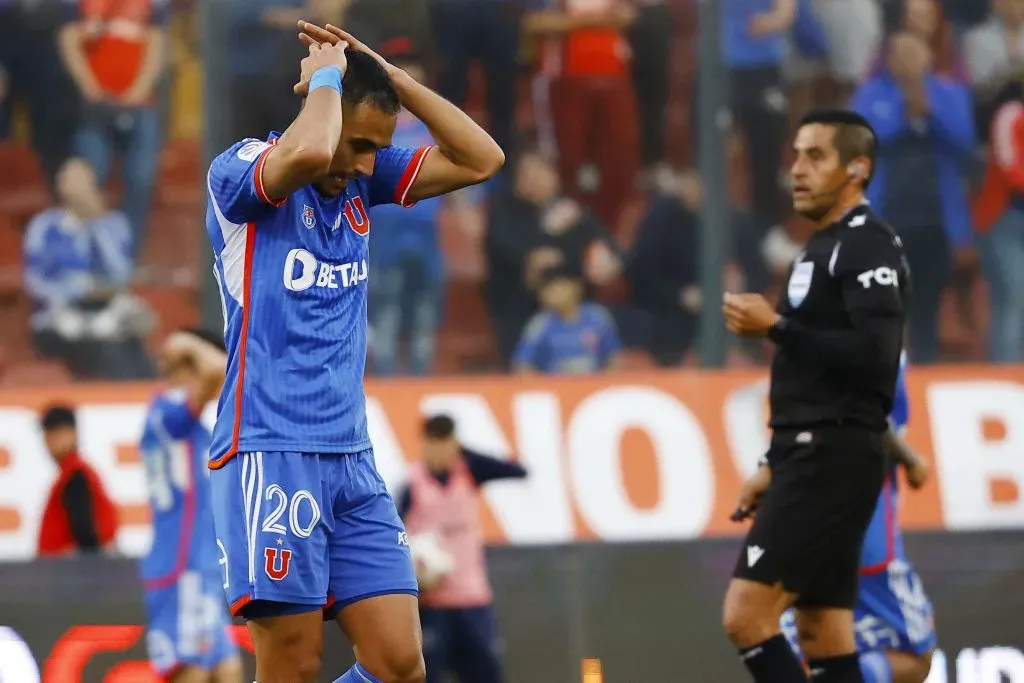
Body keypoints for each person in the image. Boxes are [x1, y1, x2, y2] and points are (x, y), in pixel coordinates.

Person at [204, 19, 503, 683]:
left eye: (380, 148)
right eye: (361, 145)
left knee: (400, 664)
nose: (369, 163)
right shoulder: (240, 173)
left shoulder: (361, 179)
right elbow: (308, 155)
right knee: (295, 665)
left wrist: (388, 78)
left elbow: (483, 158)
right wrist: (329, 77)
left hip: (352, 459)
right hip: (269, 447)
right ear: (321, 110)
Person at [720, 108, 910, 683]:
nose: (797, 170)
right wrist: (771, 463)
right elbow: (814, 376)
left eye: (815, 156)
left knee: (746, 617)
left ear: (858, 168)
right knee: (822, 635)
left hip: (830, 456)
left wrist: (775, 327)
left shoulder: (868, 245)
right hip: (811, 452)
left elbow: (876, 357)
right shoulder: (822, 247)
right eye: (796, 155)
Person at [738, 352, 936, 683]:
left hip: (802, 533)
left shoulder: (798, 341)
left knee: (806, 652)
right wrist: (912, 459)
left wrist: (768, 468)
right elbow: (862, 415)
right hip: (864, 535)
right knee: (915, 658)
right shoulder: (870, 329)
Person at [138, 330, 243, 683]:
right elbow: (218, 368)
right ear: (189, 366)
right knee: (193, 672)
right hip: (180, 566)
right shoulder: (166, 412)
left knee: (227, 669)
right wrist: (186, 342)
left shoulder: (197, 428)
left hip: (201, 568)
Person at [395, 415, 526, 683]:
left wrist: (464, 451)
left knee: (486, 672)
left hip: (472, 600)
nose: (439, 451)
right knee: (423, 674)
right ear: (424, 444)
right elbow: (393, 533)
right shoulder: (412, 484)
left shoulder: (469, 472)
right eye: (434, 443)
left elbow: (518, 471)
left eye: (446, 443)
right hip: (431, 604)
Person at [36, 404, 119, 557]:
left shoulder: (74, 475)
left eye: (54, 434)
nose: (48, 442)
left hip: (68, 575)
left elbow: (85, 534)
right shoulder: (75, 472)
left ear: (72, 433)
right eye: (47, 435)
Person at [511, 266, 622, 375]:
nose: (551, 294)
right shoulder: (539, 324)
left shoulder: (598, 317)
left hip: (594, 387)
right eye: (546, 289)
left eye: (557, 287)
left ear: (575, 287)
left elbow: (614, 358)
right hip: (555, 388)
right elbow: (522, 365)